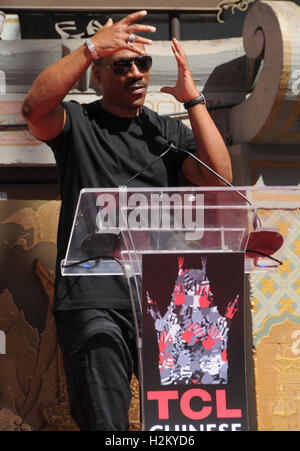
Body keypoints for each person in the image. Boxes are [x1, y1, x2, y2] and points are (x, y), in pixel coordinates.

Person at [22, 10, 232, 431]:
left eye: (143, 64)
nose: (136, 73)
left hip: (169, 301)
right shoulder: (78, 123)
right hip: (93, 300)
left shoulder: (164, 134)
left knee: (184, 427)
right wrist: (90, 47)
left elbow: (220, 181)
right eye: (122, 65)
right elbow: (33, 108)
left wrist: (193, 101)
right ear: (97, 73)